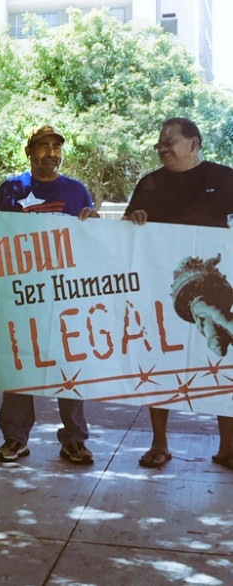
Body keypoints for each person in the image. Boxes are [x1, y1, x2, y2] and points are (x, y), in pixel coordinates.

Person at [123, 117, 233, 471]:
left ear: (194, 143)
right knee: (161, 362)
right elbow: (126, 232)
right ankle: (159, 444)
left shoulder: (225, 178)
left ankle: (228, 447)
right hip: (161, 290)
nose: (162, 149)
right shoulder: (150, 184)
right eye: (159, 144)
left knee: (221, 360)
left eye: (169, 141)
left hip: (219, 292)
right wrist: (135, 218)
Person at [0, 125, 99, 465]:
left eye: (56, 146)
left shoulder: (76, 191)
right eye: (43, 146)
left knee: (70, 364)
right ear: (29, 151)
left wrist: (92, 223)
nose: (51, 152)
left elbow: (90, 241)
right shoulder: (12, 190)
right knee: (20, 363)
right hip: (22, 294)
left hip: (65, 295)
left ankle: (74, 440)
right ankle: (15, 439)